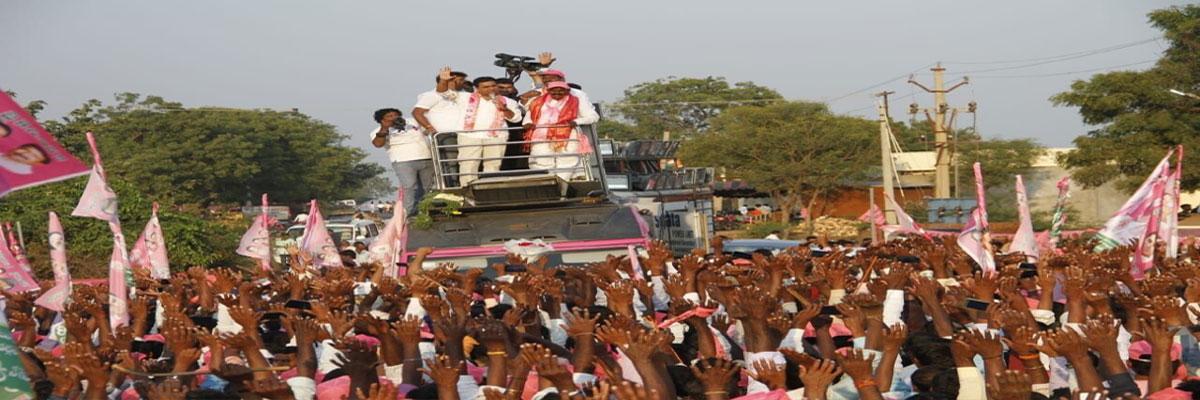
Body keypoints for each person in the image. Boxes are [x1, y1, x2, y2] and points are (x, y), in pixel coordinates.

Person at [522, 81, 599, 180]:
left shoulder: (576, 101)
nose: (557, 93)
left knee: (567, 161)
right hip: (541, 135)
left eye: (561, 91)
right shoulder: (538, 101)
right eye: (554, 91)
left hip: (567, 136)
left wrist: (576, 121)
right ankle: (547, 182)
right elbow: (529, 115)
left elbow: (594, 117)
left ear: (567, 91)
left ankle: (562, 182)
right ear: (549, 91)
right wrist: (527, 123)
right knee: (541, 159)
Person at [455, 76, 522, 186]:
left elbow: (516, 119)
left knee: (493, 165)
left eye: (493, 86)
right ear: (477, 89)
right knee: (468, 165)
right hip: (469, 136)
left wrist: (504, 109)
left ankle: (489, 188)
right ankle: (467, 190)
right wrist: (444, 80)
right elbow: (444, 93)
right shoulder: (465, 98)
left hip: (497, 136)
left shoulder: (507, 101)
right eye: (486, 87)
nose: (491, 89)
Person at [371, 108, 434, 215]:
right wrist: (384, 129)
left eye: (395, 115)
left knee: (427, 187)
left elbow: (427, 128)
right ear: (382, 120)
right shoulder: (378, 131)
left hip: (425, 157)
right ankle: (408, 213)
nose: (394, 118)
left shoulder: (412, 122)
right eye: (389, 117)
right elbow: (378, 144)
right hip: (402, 161)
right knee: (409, 186)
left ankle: (425, 210)